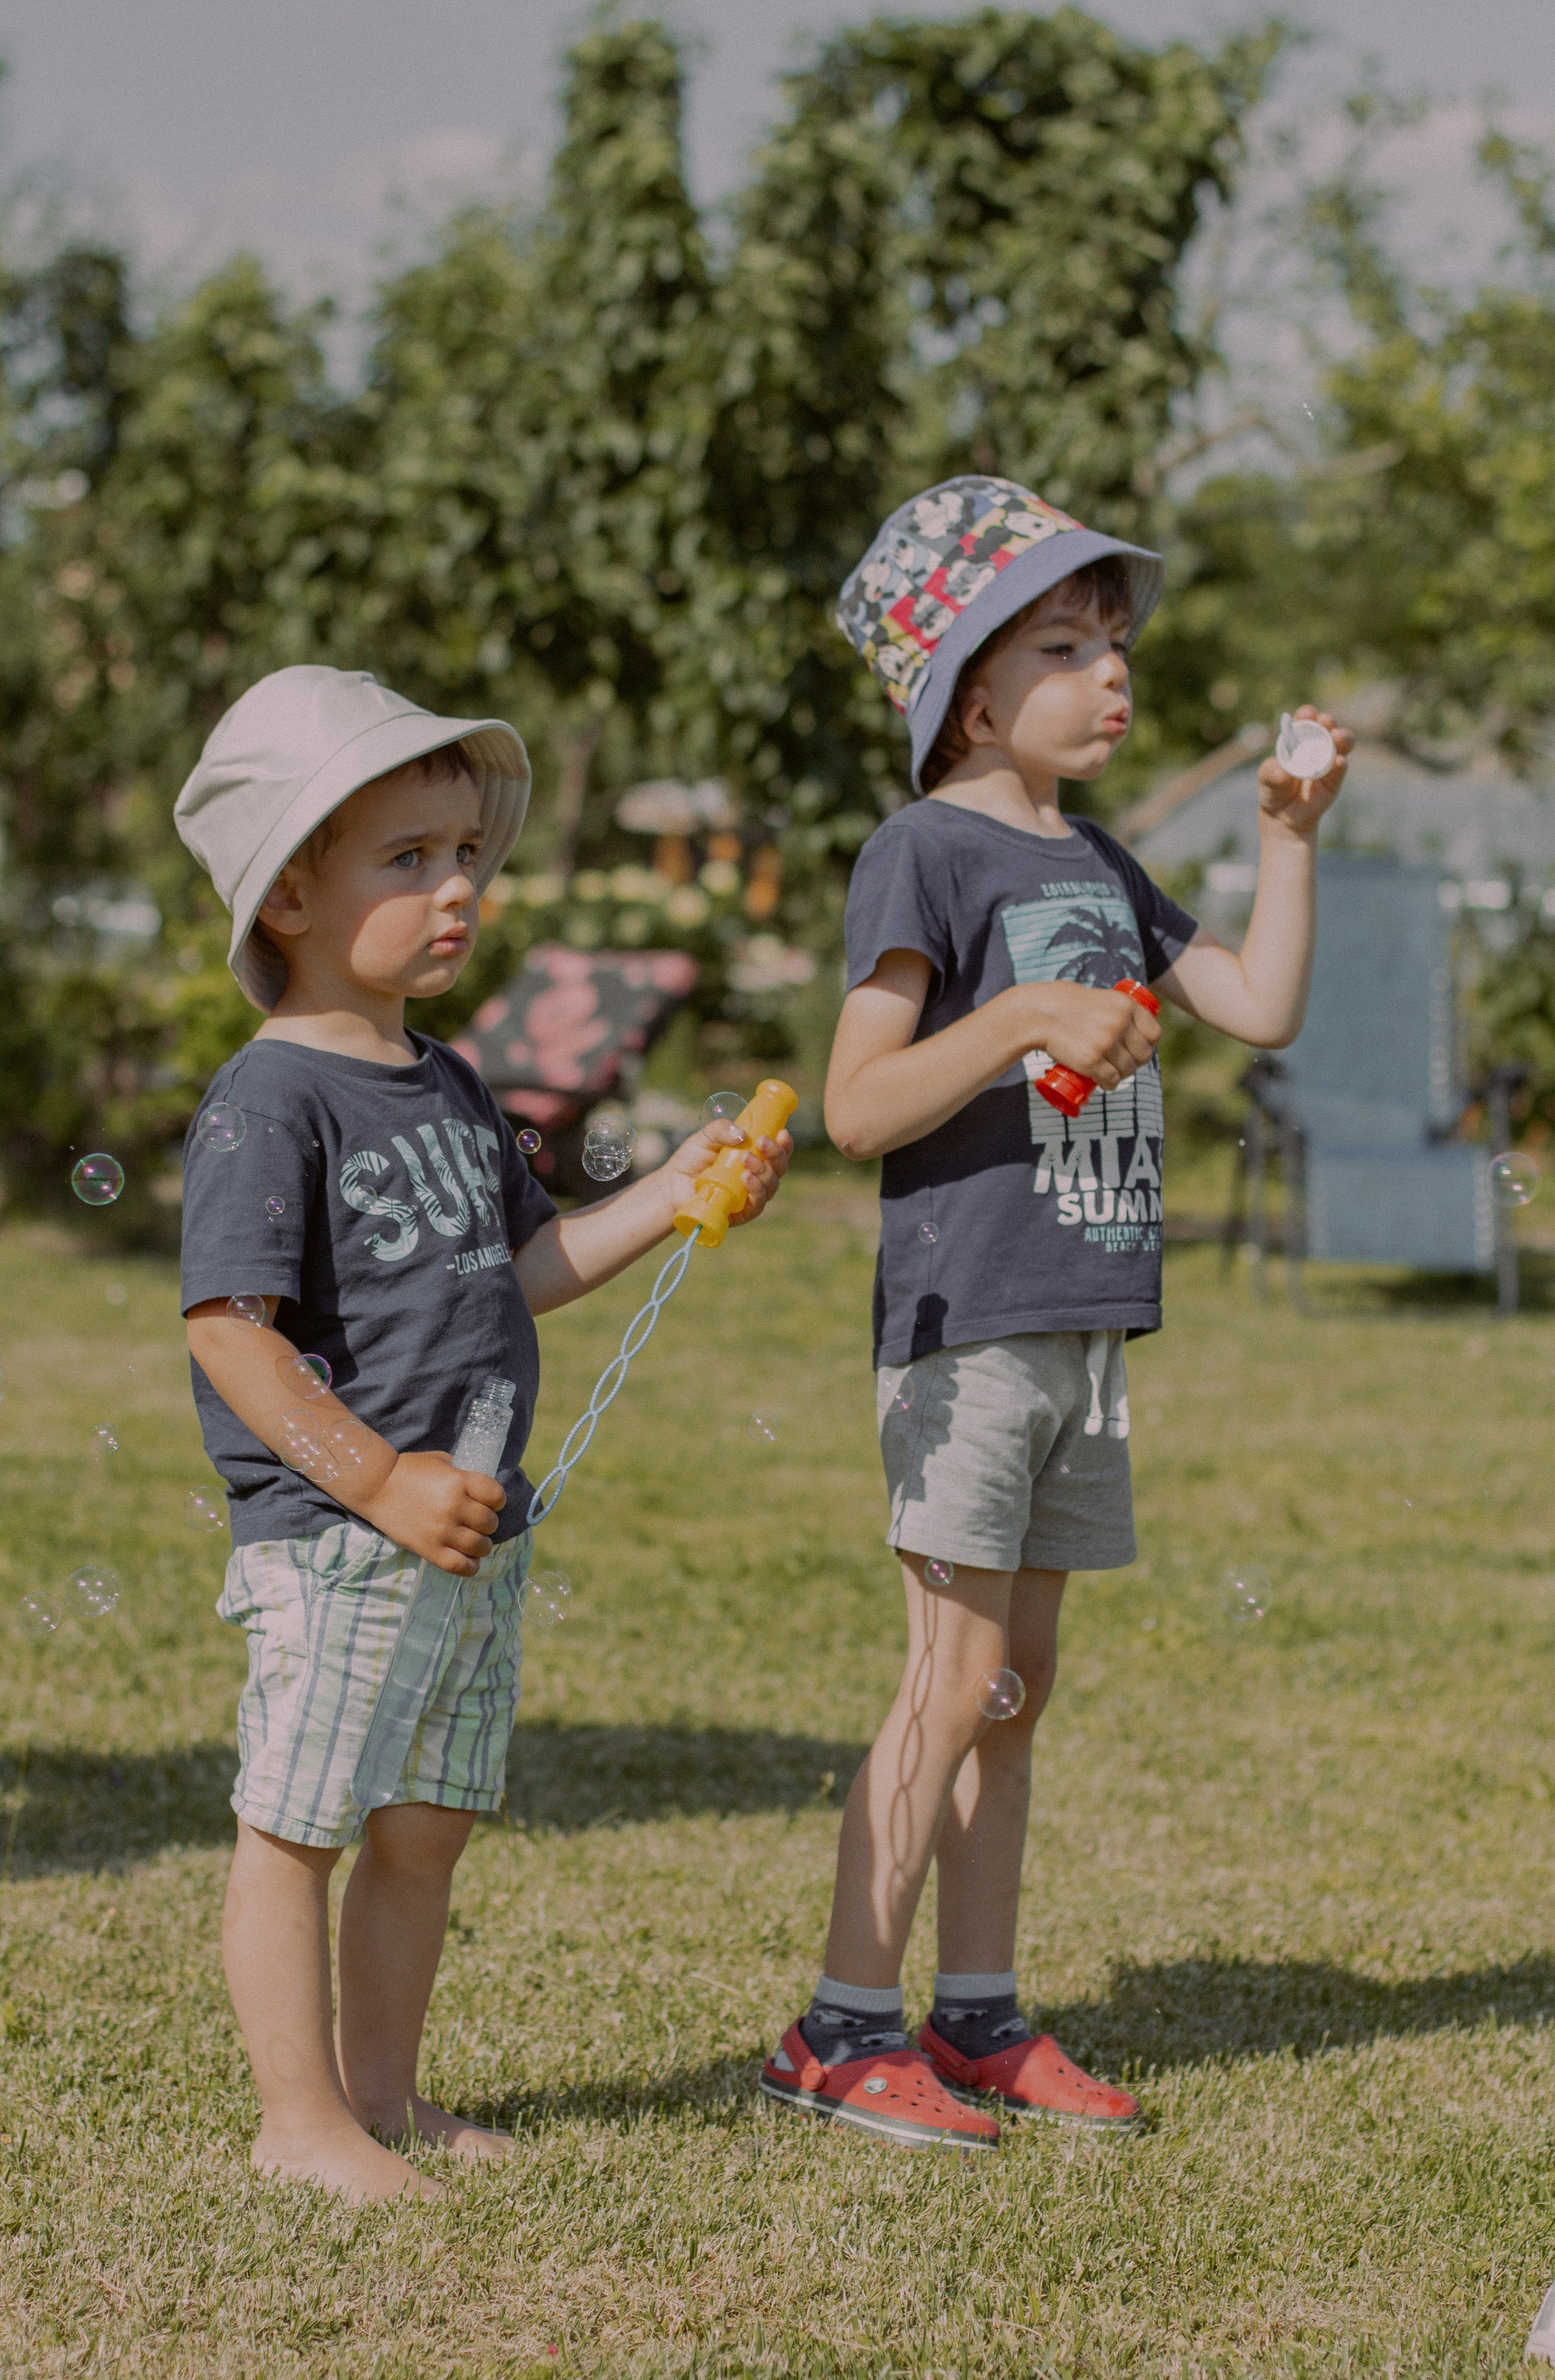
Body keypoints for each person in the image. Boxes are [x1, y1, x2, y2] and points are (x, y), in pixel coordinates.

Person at [759, 475, 1350, 2151]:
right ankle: (837, 2026)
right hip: (967, 1324)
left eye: (1117, 645)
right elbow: (858, 1105)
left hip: (1081, 1325)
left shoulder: (1099, 856)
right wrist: (1019, 1009)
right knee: (945, 1684)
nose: (1114, 676)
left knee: (1015, 1698)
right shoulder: (921, 851)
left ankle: (978, 2016)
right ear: (967, 683)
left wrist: (1287, 838)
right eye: (1068, 646)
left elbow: (1258, 1004)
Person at [175, 666, 789, 2202]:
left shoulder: (447, 1081)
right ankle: (295, 2123)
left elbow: (520, 1271)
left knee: (425, 1830)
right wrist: (376, 1480)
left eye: (464, 855)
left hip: (470, 1531)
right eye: (409, 859)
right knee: (298, 1829)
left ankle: (382, 2098)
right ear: (294, 892)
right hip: (341, 1541)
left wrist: (670, 1193)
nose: (458, 889)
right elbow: (226, 1331)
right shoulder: (272, 1100)